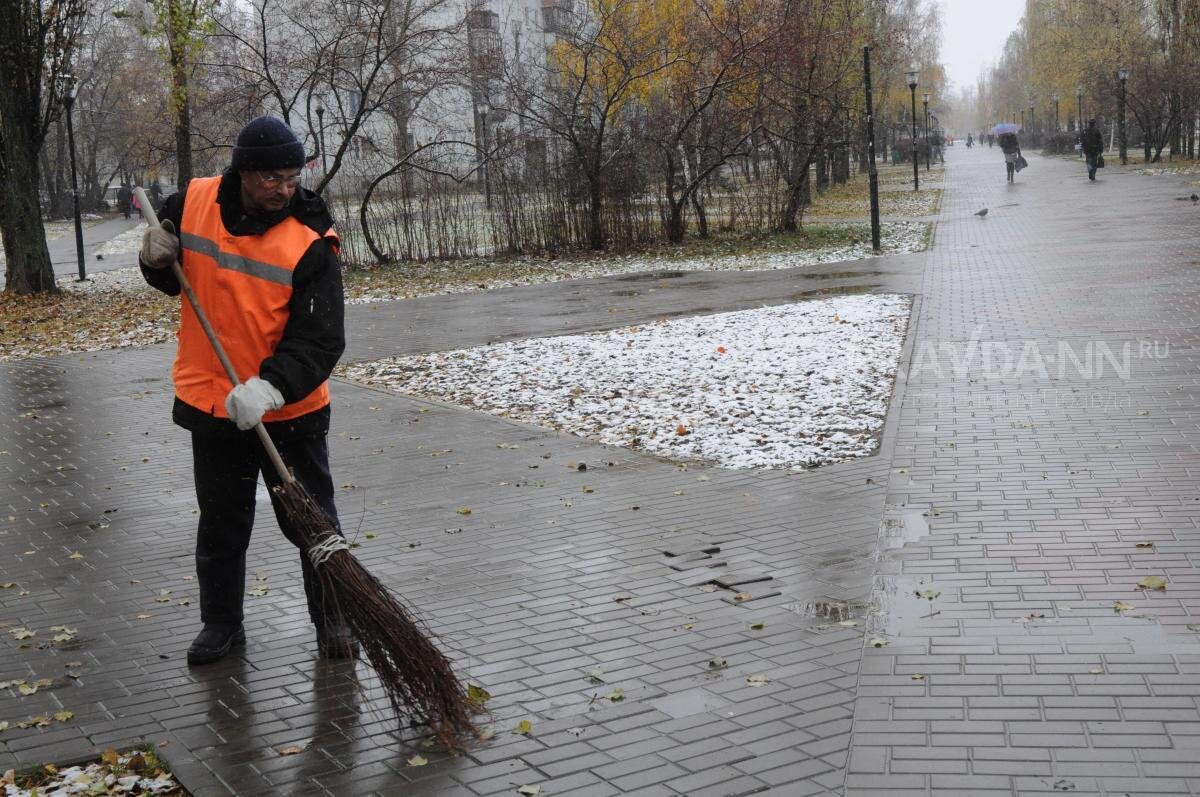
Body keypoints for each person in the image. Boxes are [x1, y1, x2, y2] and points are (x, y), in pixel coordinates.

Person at [138, 116, 353, 665]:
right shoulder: (194, 201)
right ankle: (221, 625)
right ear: (243, 172)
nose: (285, 189)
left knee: (313, 525)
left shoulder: (310, 238)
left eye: (292, 177)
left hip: (288, 410)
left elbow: (322, 339)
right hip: (211, 401)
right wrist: (154, 255)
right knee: (221, 523)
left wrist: (271, 388)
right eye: (272, 179)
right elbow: (173, 275)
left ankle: (333, 618)